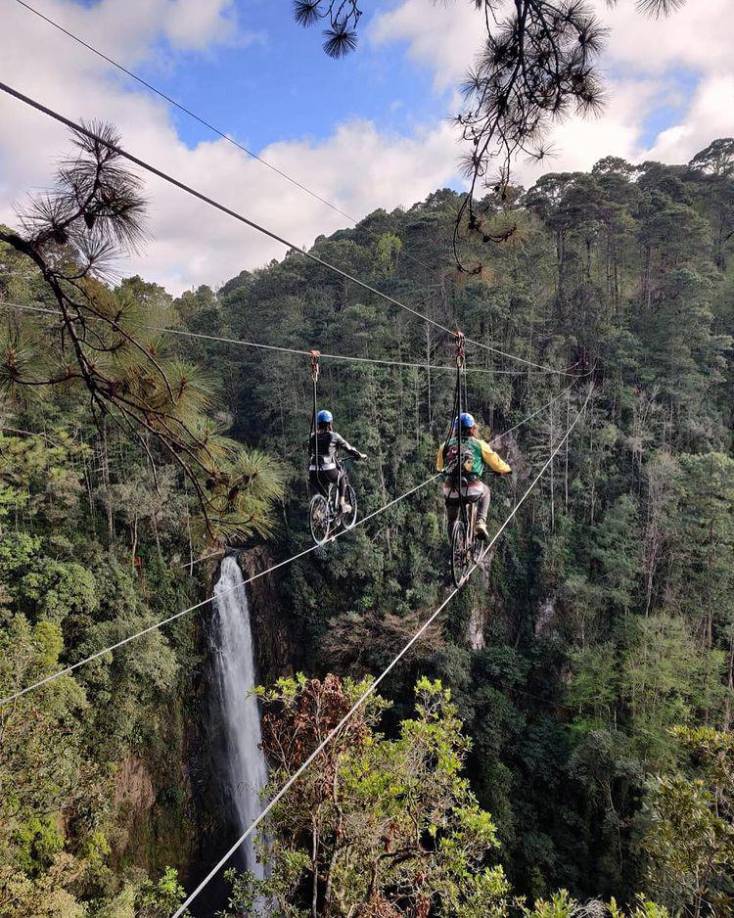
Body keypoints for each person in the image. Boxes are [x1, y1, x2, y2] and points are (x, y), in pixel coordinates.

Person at [436, 412, 511, 541]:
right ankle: (480, 522)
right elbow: (495, 462)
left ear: (455, 429)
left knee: (451, 520)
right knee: (486, 491)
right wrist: (506, 470)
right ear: (472, 428)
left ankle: (454, 550)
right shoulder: (479, 444)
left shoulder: (445, 445)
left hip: (450, 489)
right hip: (472, 488)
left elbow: (439, 467)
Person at [309, 409, 367, 514]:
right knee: (342, 476)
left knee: (325, 495)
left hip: (313, 471)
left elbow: (310, 452)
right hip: (327, 469)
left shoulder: (312, 436)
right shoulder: (334, 436)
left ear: (318, 424)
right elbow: (349, 448)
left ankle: (318, 512)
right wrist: (360, 455)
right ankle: (342, 504)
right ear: (330, 423)